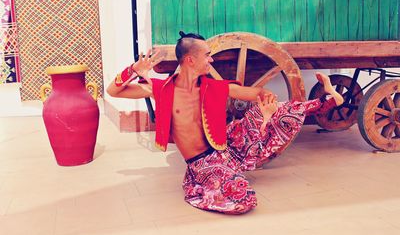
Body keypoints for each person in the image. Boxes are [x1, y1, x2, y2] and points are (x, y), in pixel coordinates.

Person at [107, 31, 344, 215]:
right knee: (244, 198)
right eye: (207, 55)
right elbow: (114, 91)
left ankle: (327, 100)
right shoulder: (162, 89)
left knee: (275, 111)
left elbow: (249, 93)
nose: (211, 59)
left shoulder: (212, 86)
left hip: (226, 146)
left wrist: (265, 97)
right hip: (203, 164)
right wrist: (132, 70)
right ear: (190, 60)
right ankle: (224, 177)